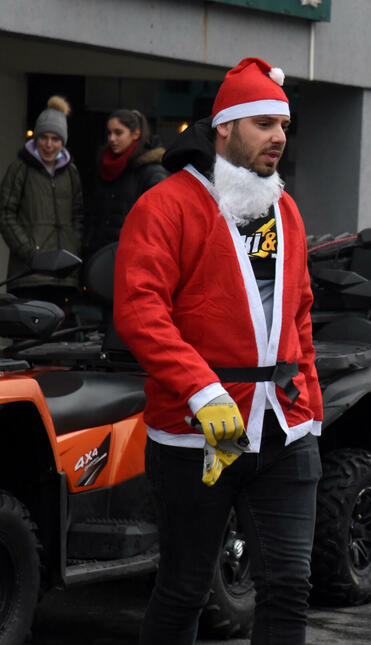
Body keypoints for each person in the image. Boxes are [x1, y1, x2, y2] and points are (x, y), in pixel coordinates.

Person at [114, 57, 323, 645]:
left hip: (284, 427)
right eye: (263, 124)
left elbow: (301, 313)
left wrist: (310, 407)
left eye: (284, 125)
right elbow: (139, 310)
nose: (279, 137)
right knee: (185, 588)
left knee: (288, 587)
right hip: (198, 429)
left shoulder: (286, 208)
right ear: (224, 127)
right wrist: (202, 389)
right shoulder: (166, 205)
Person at [0, 95, 82, 302]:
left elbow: (78, 213)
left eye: (55, 139)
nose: (48, 144)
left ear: (63, 142)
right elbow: (5, 212)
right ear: (35, 138)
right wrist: (28, 250)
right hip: (28, 273)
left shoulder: (71, 172)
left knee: (58, 333)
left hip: (63, 274)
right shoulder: (20, 168)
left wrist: (72, 245)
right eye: (43, 137)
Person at [85, 108, 168, 257]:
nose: (111, 138)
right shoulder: (104, 167)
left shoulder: (151, 172)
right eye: (109, 133)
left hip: (132, 256)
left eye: (118, 133)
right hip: (99, 256)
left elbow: (156, 223)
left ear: (136, 134)